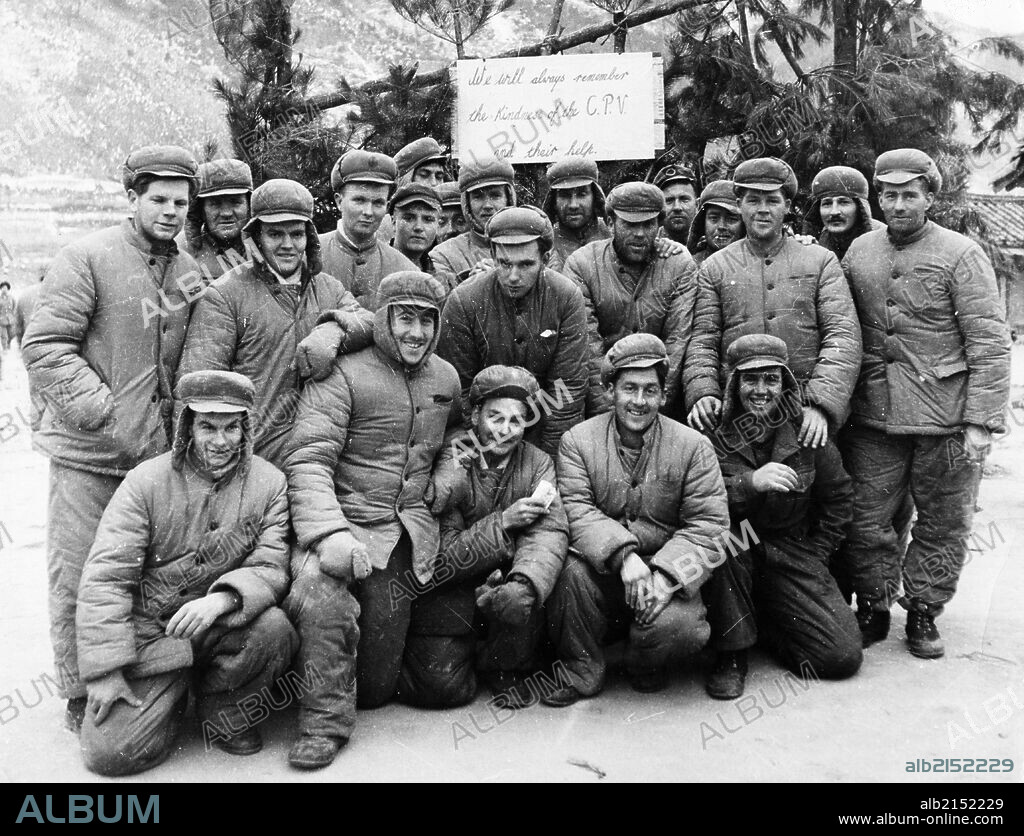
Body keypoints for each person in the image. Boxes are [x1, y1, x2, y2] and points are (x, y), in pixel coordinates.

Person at [23, 145, 199, 732]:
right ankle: (79, 691)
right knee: (78, 572)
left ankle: (139, 677)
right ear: (133, 198)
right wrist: (101, 411)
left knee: (141, 571)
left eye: (181, 201)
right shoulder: (87, 256)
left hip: (156, 458)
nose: (171, 211)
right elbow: (45, 346)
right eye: (159, 199)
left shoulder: (189, 270)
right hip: (89, 455)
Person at [283, 271, 462, 770]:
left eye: (428, 321)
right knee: (323, 595)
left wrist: (449, 470)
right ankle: (322, 725)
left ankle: (333, 674)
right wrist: (329, 535)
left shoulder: (444, 377)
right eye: (404, 318)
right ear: (381, 320)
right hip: (341, 523)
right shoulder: (342, 374)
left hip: (402, 535)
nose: (416, 333)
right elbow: (309, 459)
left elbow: (457, 433)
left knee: (377, 691)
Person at [76, 371, 297, 775]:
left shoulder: (270, 483)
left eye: (232, 427)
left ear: (246, 428)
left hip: (220, 624)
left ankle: (225, 712)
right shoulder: (145, 482)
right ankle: (172, 693)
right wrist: (105, 670)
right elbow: (106, 577)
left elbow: (270, 565)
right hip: (152, 637)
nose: (221, 441)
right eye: (208, 427)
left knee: (274, 628)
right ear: (187, 427)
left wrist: (223, 599)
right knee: (108, 755)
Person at [840, 149, 1010, 658]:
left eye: (909, 194)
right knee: (865, 518)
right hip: (875, 416)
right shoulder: (860, 252)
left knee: (943, 521)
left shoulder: (961, 254)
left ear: (931, 197)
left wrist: (981, 420)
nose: (898, 204)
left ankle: (922, 610)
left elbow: (988, 340)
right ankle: (872, 604)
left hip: (947, 419)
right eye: (888, 195)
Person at [543, 334, 728, 705]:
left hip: (661, 567)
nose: (639, 401)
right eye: (629, 388)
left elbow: (709, 525)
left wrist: (667, 577)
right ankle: (582, 669)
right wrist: (624, 557)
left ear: (663, 395)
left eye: (650, 390)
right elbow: (575, 509)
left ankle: (644, 661)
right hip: (604, 569)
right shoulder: (578, 441)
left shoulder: (693, 446)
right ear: (611, 390)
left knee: (682, 628)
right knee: (568, 575)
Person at [701, 335, 862, 699]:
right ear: (733, 383)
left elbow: (838, 498)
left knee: (841, 656)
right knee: (723, 545)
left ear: (785, 383)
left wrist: (816, 554)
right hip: (734, 542)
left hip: (789, 547)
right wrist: (749, 483)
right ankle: (732, 654)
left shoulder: (806, 431)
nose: (761, 390)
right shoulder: (712, 430)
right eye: (750, 380)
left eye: (771, 379)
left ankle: (766, 626)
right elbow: (695, 501)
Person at [177, 179, 373, 470]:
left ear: (309, 237)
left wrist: (334, 329)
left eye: (296, 234)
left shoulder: (328, 289)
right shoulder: (225, 294)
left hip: (316, 457)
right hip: (251, 459)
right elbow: (196, 386)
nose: (287, 245)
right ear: (255, 237)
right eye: (274, 234)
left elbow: (369, 321)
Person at [685, 157, 862, 452]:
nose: (763, 210)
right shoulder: (715, 268)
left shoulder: (819, 261)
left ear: (788, 205)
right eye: (753, 200)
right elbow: (703, 338)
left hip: (804, 414)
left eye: (773, 200)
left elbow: (842, 336)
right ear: (739, 204)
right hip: (737, 412)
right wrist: (703, 391)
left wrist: (820, 405)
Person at [433, 365, 569, 706]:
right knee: (441, 687)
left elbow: (548, 531)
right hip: (454, 585)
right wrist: (504, 521)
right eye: (495, 417)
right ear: (476, 415)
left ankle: (504, 664)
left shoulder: (537, 463)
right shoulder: (453, 459)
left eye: (516, 421)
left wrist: (525, 582)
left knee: (520, 597)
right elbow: (443, 556)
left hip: (507, 576)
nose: (505, 431)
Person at [438, 206, 589, 457]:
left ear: (546, 257)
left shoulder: (566, 297)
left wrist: (546, 460)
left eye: (526, 264)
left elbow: (567, 390)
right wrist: (486, 451)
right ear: (492, 255)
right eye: (504, 264)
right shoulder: (464, 300)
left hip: (544, 427)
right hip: (480, 430)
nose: (513, 276)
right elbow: (459, 390)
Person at [562, 182, 698, 416]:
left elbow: (677, 342)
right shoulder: (581, 265)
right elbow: (589, 350)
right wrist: (608, 414)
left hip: (659, 403)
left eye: (648, 224)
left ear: (659, 224)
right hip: (602, 402)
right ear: (611, 222)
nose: (639, 233)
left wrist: (652, 407)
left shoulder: (679, 265)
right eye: (630, 224)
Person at [319, 150, 415, 311]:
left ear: (387, 206)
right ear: (339, 201)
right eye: (359, 200)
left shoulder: (404, 269)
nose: (368, 212)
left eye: (378, 203)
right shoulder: (309, 256)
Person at [431, 156, 516, 291]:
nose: (487, 205)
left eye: (495, 195)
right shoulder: (443, 254)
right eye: (478, 197)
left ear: (509, 198)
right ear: (467, 203)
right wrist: (472, 285)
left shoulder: (534, 244)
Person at [179, 159, 253, 279]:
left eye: (235, 202)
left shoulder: (267, 247)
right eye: (215, 204)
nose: (226, 213)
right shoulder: (180, 250)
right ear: (201, 209)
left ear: (249, 206)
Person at [802, 165, 884, 261]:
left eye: (844, 202)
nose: (834, 212)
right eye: (827, 203)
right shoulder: (819, 240)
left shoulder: (883, 238)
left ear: (859, 207)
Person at [541, 157, 609, 272]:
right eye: (565, 195)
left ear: (595, 197)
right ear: (554, 201)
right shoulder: (544, 246)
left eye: (582, 194)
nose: (573, 205)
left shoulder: (612, 237)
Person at [13, 270, 45, 429]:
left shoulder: (24, 295)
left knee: (35, 391)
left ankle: (37, 426)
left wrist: (21, 348)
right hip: (54, 347)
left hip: (31, 347)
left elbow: (17, 328)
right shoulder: (58, 292)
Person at [686, 180, 744, 266]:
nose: (721, 226)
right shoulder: (691, 266)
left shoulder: (757, 264)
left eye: (731, 219)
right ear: (703, 223)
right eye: (714, 218)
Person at [389, 183, 442, 272]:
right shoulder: (376, 267)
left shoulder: (442, 276)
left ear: (438, 225)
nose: (418, 227)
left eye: (428, 219)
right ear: (393, 222)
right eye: (409, 218)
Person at [654, 164, 699, 245]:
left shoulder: (710, 245)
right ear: (658, 208)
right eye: (669, 201)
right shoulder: (650, 245)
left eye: (684, 199)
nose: (677, 207)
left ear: (697, 204)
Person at [0, 281, 15, 350]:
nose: (4, 289)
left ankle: (8, 344)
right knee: (3, 335)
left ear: (8, 289)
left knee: (11, 334)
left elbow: (15, 307)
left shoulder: (11, 298)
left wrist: (14, 315)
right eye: (3, 288)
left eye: (5, 288)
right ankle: (4, 348)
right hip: (2, 320)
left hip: (10, 319)